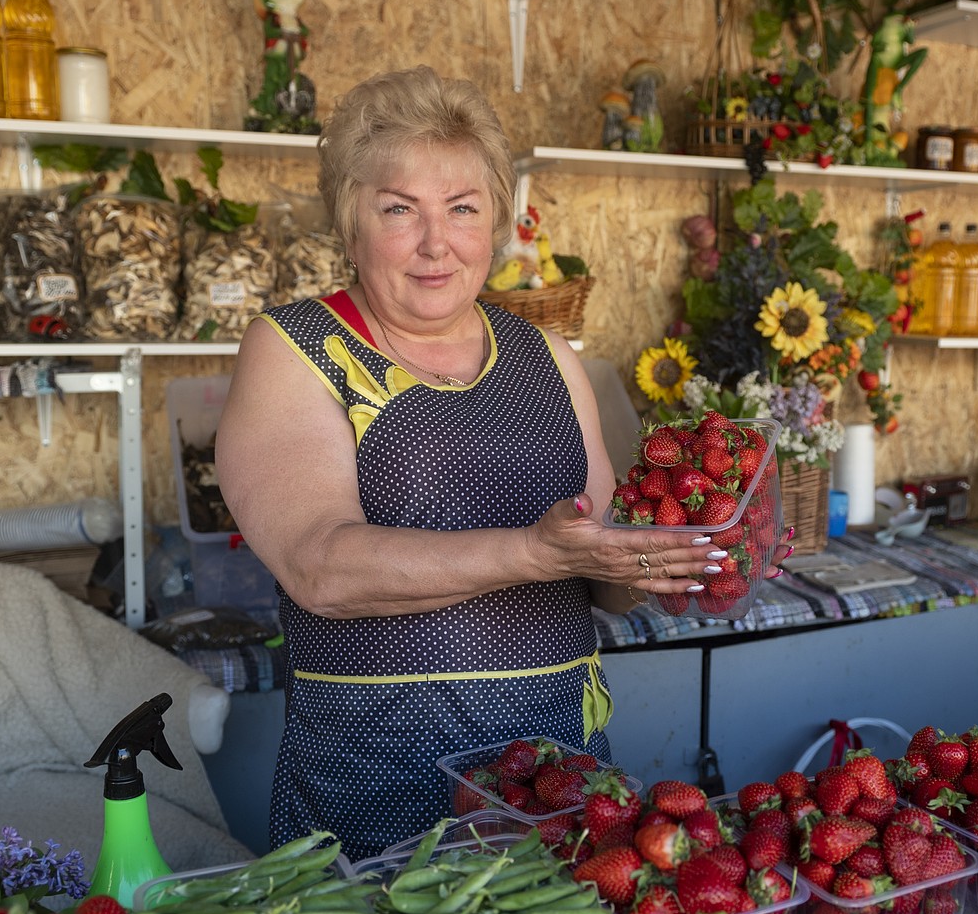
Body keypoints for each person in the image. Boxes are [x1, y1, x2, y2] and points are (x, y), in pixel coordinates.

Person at [215, 65, 789, 862]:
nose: (435, 243)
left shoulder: (548, 357)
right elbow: (321, 567)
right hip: (377, 779)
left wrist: (686, 557)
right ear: (350, 225)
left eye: (462, 208)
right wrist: (531, 550)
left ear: (498, 223)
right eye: (398, 210)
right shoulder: (295, 349)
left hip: (555, 780)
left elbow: (604, 578)